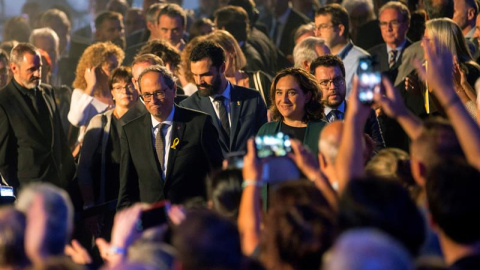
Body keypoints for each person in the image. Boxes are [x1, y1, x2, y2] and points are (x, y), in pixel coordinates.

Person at [117, 65, 223, 207]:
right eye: (147, 95)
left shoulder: (199, 124)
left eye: (159, 93)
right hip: (152, 223)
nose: (153, 100)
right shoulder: (131, 132)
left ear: (173, 90)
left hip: (191, 220)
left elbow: (217, 177)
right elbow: (127, 189)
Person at [0, 43, 76, 191]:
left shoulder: (48, 92)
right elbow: (3, 161)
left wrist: (71, 179)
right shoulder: (3, 102)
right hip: (28, 191)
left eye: (39, 68)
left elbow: (60, 140)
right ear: (14, 68)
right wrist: (15, 195)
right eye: (31, 69)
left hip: (59, 186)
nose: (37, 74)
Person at [78, 67, 138, 237]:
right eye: (118, 88)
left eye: (129, 86)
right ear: (112, 92)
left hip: (137, 202)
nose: (125, 91)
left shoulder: (146, 121)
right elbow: (84, 167)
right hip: (106, 201)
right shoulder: (100, 121)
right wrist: (90, 206)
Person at [180, 41, 267, 155]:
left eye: (205, 74)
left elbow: (264, 143)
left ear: (222, 68)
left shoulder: (252, 99)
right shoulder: (187, 107)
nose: (198, 81)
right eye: (195, 75)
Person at [310, 55, 385, 150]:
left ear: (344, 79)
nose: (333, 87)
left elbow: (380, 154)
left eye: (337, 80)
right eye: (325, 82)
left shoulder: (365, 113)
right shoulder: (310, 117)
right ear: (314, 85)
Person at [68, 42, 124, 155]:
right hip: (91, 154)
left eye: (118, 66)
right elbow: (76, 120)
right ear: (95, 70)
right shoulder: (81, 93)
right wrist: (91, 86)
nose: (116, 72)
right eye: (111, 68)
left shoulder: (120, 92)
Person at [257, 67, 325, 156]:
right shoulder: (266, 131)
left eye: (291, 93)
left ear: (307, 96)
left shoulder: (323, 131)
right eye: (279, 93)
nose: (284, 100)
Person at [315, 4, 370, 96]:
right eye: (316, 28)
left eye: (323, 26)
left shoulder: (364, 60)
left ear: (340, 29)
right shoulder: (317, 59)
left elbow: (370, 99)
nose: (317, 33)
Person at [368, 2, 411, 82]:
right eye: (384, 23)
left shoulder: (417, 53)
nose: (388, 28)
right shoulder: (371, 56)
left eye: (394, 22)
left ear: (407, 24)